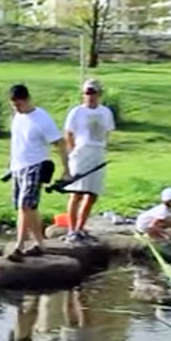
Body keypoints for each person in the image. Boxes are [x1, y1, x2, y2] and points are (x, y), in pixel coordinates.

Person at [7, 84, 71, 261]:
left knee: (25, 206)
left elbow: (59, 143)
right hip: (17, 167)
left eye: (18, 104)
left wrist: (66, 170)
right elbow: (17, 142)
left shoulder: (42, 119)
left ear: (27, 99)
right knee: (30, 208)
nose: (16, 108)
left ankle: (19, 245)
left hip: (35, 165)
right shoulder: (17, 116)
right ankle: (40, 244)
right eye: (13, 105)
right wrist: (10, 165)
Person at [63, 78, 115, 243]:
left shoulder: (105, 112)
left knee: (91, 194)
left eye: (93, 92)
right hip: (81, 153)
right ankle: (72, 229)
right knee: (76, 193)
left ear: (99, 94)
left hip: (97, 152)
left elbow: (107, 132)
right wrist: (72, 152)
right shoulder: (77, 112)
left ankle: (80, 227)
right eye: (87, 92)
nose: (90, 96)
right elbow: (69, 133)